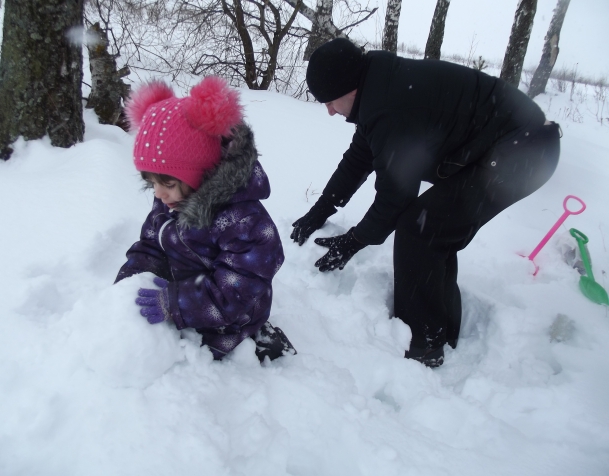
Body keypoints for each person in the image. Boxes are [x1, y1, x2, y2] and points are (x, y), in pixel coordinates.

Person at [291, 38, 560, 367]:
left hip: (523, 153)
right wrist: (319, 210)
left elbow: (395, 197)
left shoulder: (388, 104)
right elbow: (358, 158)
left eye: (330, 101)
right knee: (432, 228)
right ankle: (441, 330)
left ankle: (425, 343)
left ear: (348, 88)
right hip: (514, 146)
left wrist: (353, 241)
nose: (329, 110)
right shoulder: (377, 86)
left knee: (421, 229)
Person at [115, 76, 295, 362]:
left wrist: (176, 302)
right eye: (151, 183)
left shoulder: (243, 220)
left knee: (209, 355)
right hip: (182, 299)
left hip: (232, 316)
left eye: (168, 183)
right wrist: (130, 282)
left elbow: (239, 287)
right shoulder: (171, 199)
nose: (159, 194)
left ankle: (260, 341)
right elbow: (151, 244)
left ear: (200, 173)